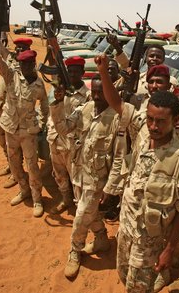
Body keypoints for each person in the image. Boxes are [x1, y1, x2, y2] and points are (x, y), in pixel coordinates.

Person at [96, 57, 179, 293]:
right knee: (123, 275)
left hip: (150, 241)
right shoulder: (140, 125)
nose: (153, 126)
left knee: (138, 288)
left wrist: (169, 249)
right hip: (126, 229)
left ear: (175, 121)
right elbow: (117, 103)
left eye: (161, 121)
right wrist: (103, 72)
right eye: (150, 119)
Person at [50, 76, 125, 280]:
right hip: (78, 173)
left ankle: (75, 249)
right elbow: (64, 128)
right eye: (95, 92)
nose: (98, 96)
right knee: (91, 214)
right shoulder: (85, 109)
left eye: (102, 92)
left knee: (81, 216)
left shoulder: (117, 118)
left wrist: (111, 188)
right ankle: (101, 238)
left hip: (98, 180)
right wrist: (57, 104)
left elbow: (119, 157)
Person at [0, 31, 48, 216]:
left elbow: (45, 109)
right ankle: (24, 190)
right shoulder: (10, 75)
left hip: (28, 132)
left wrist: (40, 126)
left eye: (28, 64)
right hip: (10, 128)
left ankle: (37, 199)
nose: (24, 67)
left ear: (33, 64)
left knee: (32, 166)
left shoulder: (39, 85)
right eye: (22, 63)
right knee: (14, 163)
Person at [46, 56, 91, 213]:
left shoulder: (87, 96)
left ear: (82, 73)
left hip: (72, 144)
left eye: (75, 72)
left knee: (76, 178)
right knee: (59, 174)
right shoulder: (58, 89)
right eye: (69, 71)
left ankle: (79, 207)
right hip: (55, 138)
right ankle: (65, 200)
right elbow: (49, 109)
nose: (72, 75)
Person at [107, 36, 179, 97]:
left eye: (158, 57)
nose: (154, 59)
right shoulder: (138, 78)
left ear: (163, 59)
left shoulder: (172, 81)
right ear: (146, 58)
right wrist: (116, 46)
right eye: (151, 56)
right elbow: (126, 64)